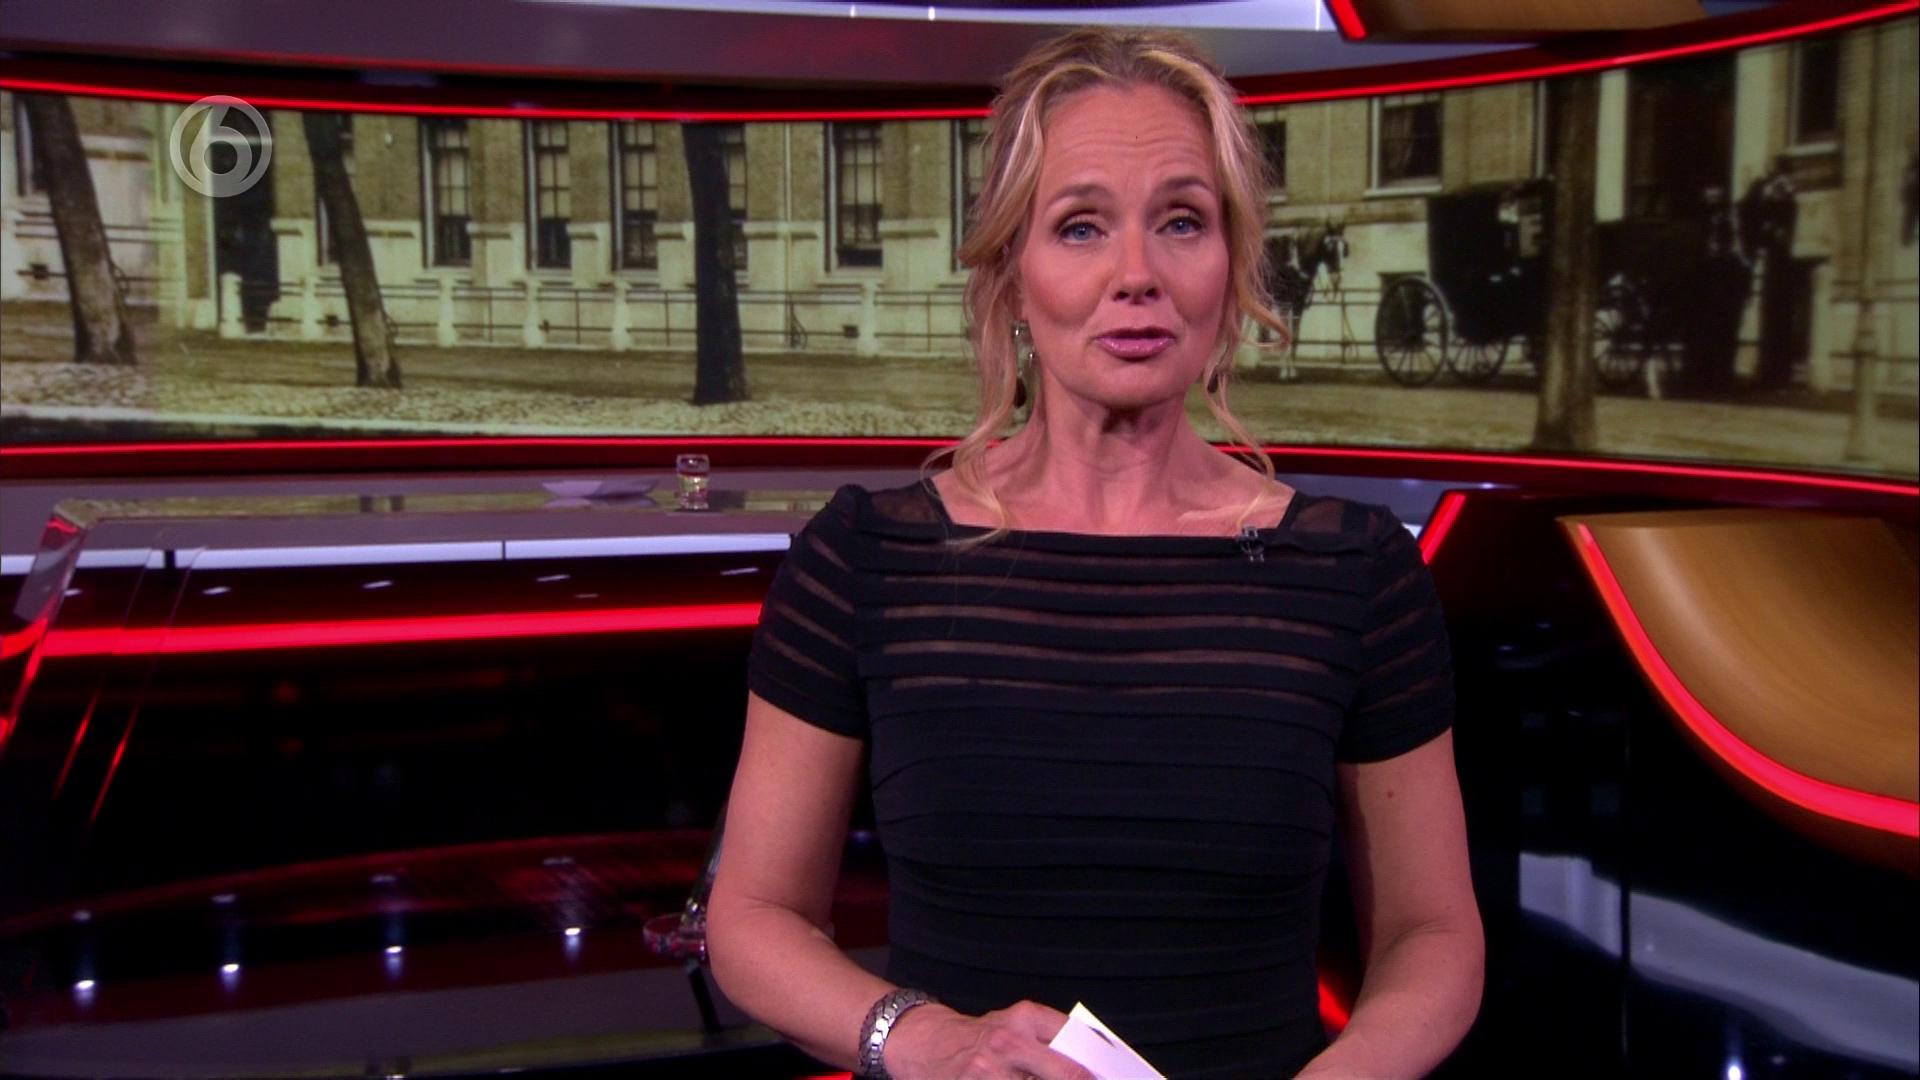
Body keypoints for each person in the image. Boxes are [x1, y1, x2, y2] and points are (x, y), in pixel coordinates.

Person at [707, 27, 1482, 1080]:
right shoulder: (863, 560)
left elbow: (1432, 935)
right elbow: (753, 917)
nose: (1138, 275)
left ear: (1233, 261)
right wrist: (930, 1042)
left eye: (1181, 221)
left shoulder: (1355, 574)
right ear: (1011, 272)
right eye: (1081, 227)